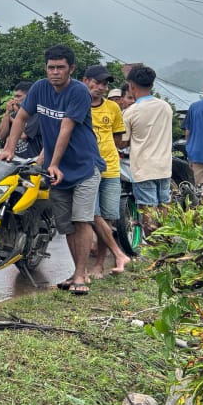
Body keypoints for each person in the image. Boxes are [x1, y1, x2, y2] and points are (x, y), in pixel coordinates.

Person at [0, 44, 104, 296]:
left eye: (60, 67)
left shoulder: (79, 92)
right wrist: (9, 149)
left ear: (71, 69)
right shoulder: (39, 88)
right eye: (51, 67)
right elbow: (22, 117)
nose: (55, 72)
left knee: (81, 220)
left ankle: (81, 274)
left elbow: (66, 128)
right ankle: (76, 271)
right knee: (66, 225)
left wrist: (53, 163)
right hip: (56, 171)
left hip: (84, 167)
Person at [81, 65, 131, 276]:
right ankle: (119, 253)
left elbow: (119, 139)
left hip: (110, 168)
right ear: (85, 81)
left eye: (105, 84)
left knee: (108, 218)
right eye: (97, 82)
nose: (101, 87)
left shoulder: (113, 108)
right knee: (91, 215)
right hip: (85, 168)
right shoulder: (77, 104)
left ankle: (100, 265)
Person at [123, 65, 174, 229]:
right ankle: (166, 244)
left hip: (143, 168)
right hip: (164, 166)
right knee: (164, 204)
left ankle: (154, 248)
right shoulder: (166, 107)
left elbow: (123, 141)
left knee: (148, 208)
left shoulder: (131, 112)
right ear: (152, 85)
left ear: (131, 85)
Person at [0, 81, 42, 159]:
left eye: (18, 96)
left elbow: (23, 135)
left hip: (32, 161)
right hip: (15, 161)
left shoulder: (36, 115)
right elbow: (1, 135)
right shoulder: (13, 116)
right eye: (14, 96)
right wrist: (7, 113)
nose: (15, 99)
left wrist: (14, 117)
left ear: (29, 96)